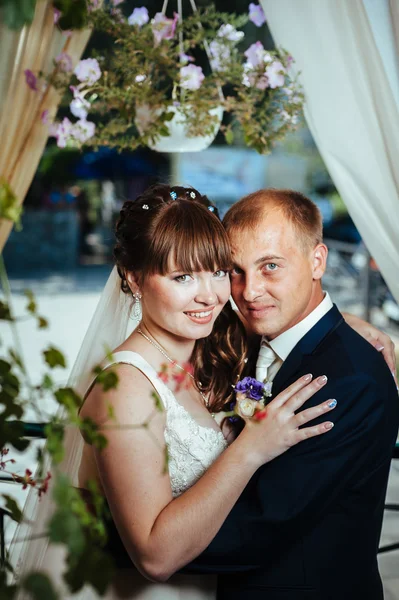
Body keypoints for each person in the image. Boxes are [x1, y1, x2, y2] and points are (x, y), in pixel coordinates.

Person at [11, 185, 395, 600]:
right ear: (134, 279)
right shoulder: (127, 385)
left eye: (217, 271)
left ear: (317, 261)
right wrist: (249, 448)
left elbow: (263, 521)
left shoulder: (218, 350)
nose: (219, 294)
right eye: (184, 276)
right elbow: (156, 553)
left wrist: (344, 324)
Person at [185, 189, 399, 600]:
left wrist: (135, 541)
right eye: (236, 271)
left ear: (317, 261)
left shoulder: (350, 381)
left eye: (270, 267)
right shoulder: (246, 338)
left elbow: (263, 526)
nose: (248, 292)